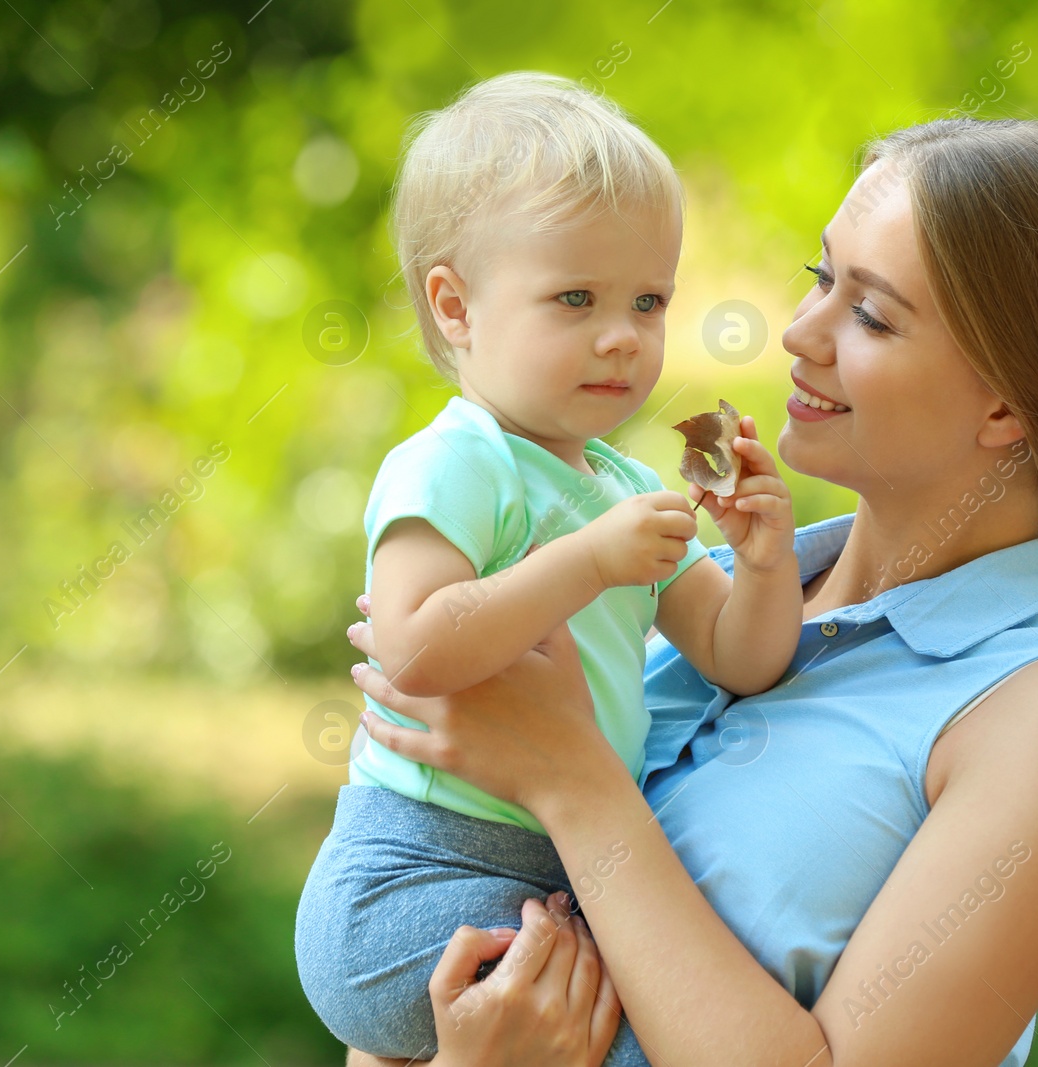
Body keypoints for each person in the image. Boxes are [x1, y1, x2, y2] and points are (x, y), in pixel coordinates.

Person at [340, 114, 1038, 1067]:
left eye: (871, 315)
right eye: (820, 278)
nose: (800, 332)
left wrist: (573, 780)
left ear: (1007, 404)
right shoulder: (691, 593)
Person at [294, 72, 804, 1063]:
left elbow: (741, 656)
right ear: (456, 306)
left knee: (666, 983)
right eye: (574, 298)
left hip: (543, 866)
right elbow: (412, 646)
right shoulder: (457, 460)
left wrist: (764, 558)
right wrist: (586, 561)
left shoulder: (618, 488)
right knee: (640, 1004)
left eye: (648, 301)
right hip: (413, 878)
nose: (621, 335)